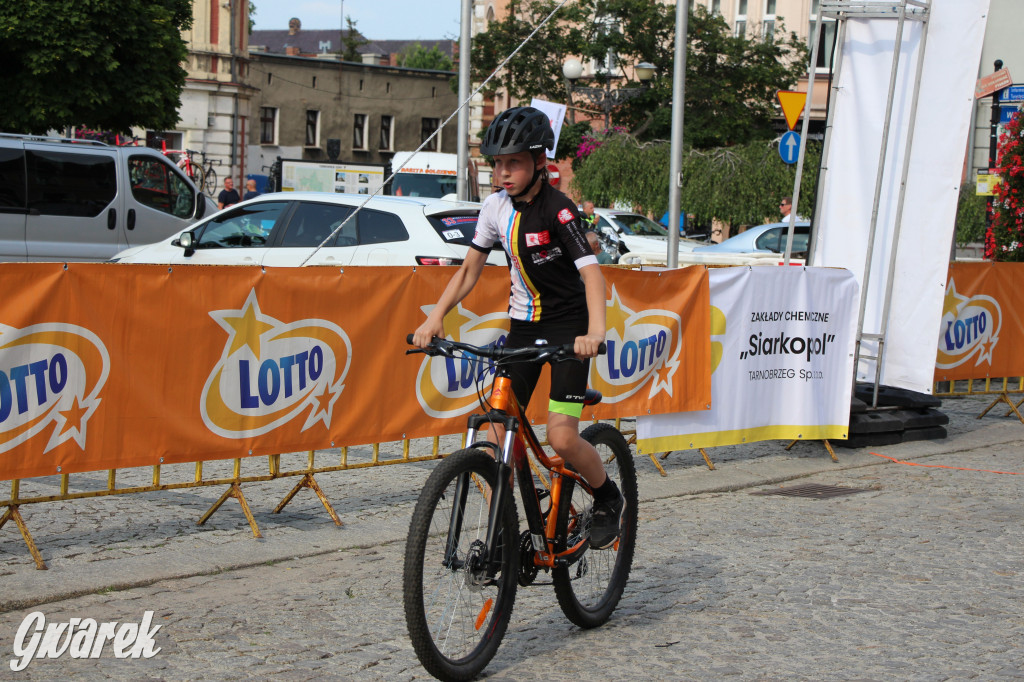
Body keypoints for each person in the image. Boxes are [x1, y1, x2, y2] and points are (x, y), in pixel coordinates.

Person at [413, 106, 624, 549]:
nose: (502, 173)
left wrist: (596, 334)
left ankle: (607, 498)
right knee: (493, 437)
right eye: (497, 164)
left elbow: (592, 275)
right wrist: (435, 317)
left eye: (514, 163)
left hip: (571, 331)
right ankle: (501, 533)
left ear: (539, 163)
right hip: (524, 329)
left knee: (562, 437)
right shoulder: (494, 207)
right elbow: (469, 270)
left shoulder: (558, 212)